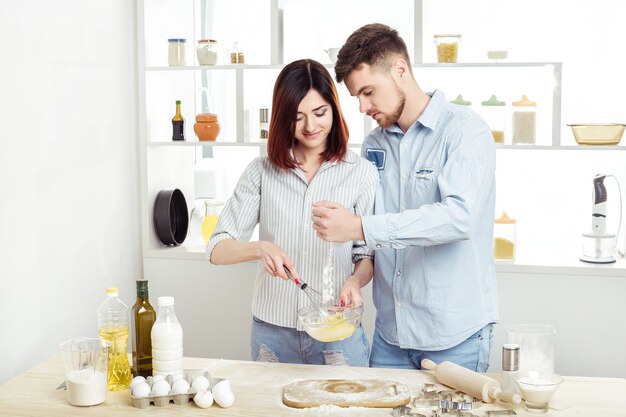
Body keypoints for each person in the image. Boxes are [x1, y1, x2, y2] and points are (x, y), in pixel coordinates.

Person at [311, 23, 498, 372]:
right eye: (357, 98)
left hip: (453, 340)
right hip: (389, 339)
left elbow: (459, 218)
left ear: (400, 70)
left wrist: (359, 227)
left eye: (369, 91)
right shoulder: (374, 145)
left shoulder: (465, 131)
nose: (363, 107)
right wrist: (355, 278)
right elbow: (371, 235)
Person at [207, 59, 378, 366]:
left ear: (335, 110)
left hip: (337, 332)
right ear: (282, 118)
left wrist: (354, 282)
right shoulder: (262, 171)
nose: (311, 127)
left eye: (319, 113)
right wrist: (261, 248)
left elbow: (366, 255)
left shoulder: (361, 173)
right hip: (273, 334)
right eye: (297, 117)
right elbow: (218, 249)